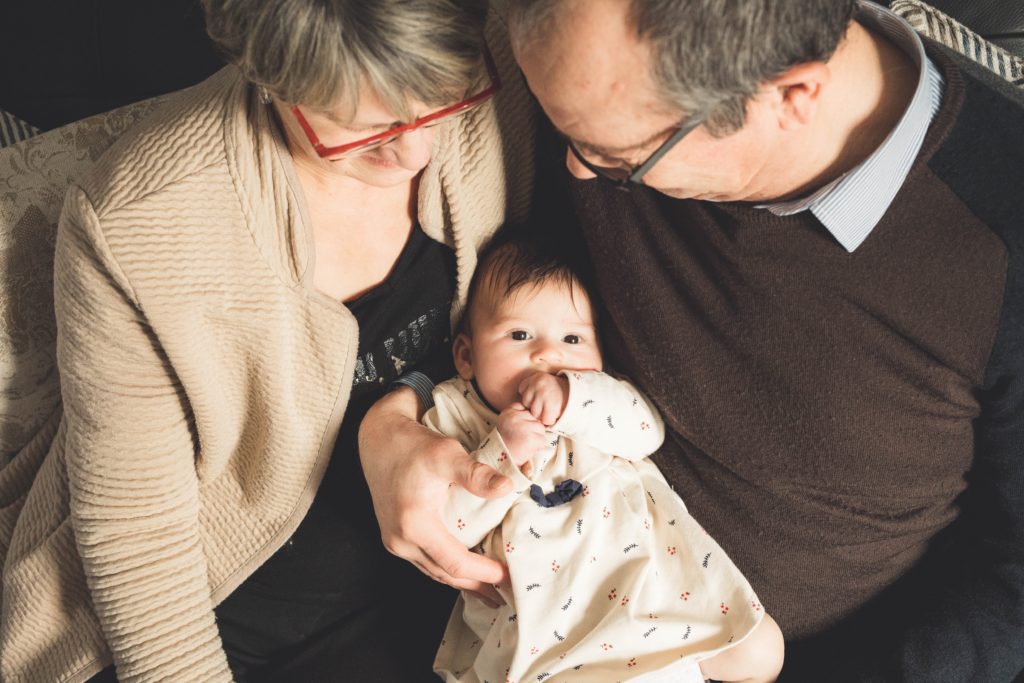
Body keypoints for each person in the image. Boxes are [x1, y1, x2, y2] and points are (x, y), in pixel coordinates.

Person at [364, 0, 1024, 680]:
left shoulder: (996, 239)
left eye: (616, 158)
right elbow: (482, 302)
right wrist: (393, 420)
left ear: (793, 96)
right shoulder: (595, 77)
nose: (580, 174)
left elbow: (1012, 592)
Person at [0, 0, 537, 680]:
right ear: (268, 79)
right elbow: (138, 540)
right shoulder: (138, 218)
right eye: (367, 133)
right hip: (225, 625)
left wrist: (400, 408)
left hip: (448, 609)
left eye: (439, 102)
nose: (415, 152)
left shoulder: (495, 60)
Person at [425, 240, 783, 683]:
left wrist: (574, 398)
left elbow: (647, 432)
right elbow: (445, 528)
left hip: (659, 601)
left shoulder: (600, 398)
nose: (547, 354)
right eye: (519, 335)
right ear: (466, 356)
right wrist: (505, 454)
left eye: (572, 339)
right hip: (554, 637)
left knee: (761, 652)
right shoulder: (452, 414)